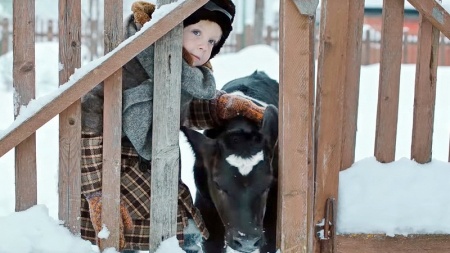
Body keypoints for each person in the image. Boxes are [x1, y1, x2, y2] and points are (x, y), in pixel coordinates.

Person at [80, 0, 266, 252]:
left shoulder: (180, 71)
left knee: (182, 237)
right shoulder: (131, 65)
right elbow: (86, 127)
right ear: (173, 27)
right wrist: (96, 192)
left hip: (160, 176)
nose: (204, 45)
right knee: (130, 239)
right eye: (197, 32)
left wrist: (219, 106)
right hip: (117, 178)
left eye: (212, 41)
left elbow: (177, 110)